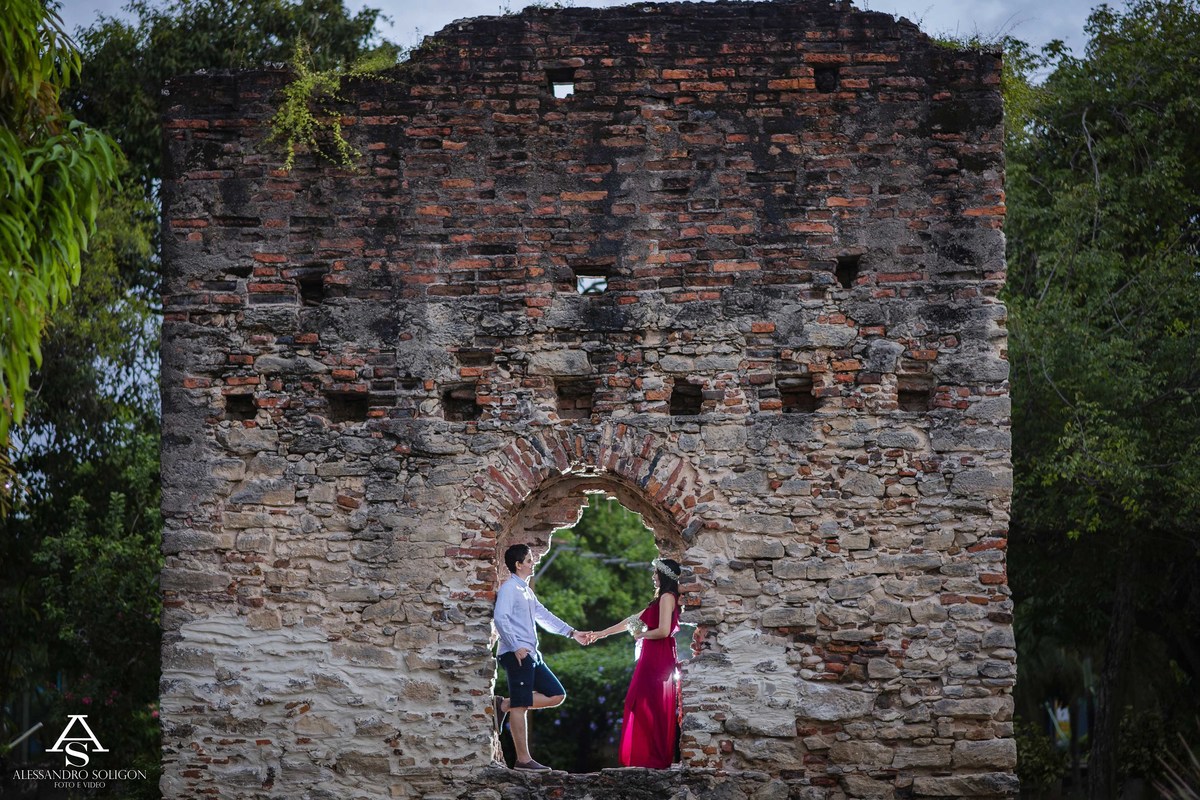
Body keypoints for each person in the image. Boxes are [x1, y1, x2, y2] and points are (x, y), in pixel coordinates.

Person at [493, 543, 592, 772]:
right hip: (516, 654)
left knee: (557, 694)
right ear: (518, 565)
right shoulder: (509, 589)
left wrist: (572, 632)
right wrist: (516, 646)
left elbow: (544, 616)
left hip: (531, 655)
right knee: (522, 706)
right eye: (528, 560)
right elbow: (500, 618)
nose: (532, 563)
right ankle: (523, 761)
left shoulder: (526, 591)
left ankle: (504, 703)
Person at [589, 557, 682, 769]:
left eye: (656, 573)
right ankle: (644, 756)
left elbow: (664, 631)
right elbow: (632, 620)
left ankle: (655, 758)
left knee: (647, 703)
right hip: (651, 656)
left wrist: (642, 635)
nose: (653, 576)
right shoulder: (658, 601)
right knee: (638, 702)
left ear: (664, 575)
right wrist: (602, 633)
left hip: (659, 657)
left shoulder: (668, 597)